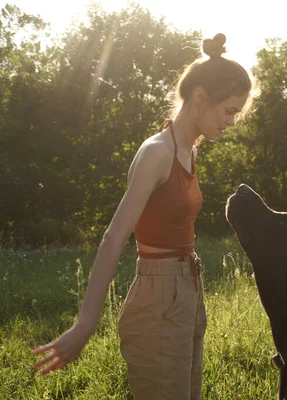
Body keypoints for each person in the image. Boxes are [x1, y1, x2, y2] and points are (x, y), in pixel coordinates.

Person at [33, 33, 253, 400]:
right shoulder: (157, 152)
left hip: (187, 291)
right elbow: (114, 236)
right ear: (201, 98)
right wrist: (85, 325)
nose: (232, 122)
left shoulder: (188, 150)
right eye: (229, 110)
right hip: (158, 298)